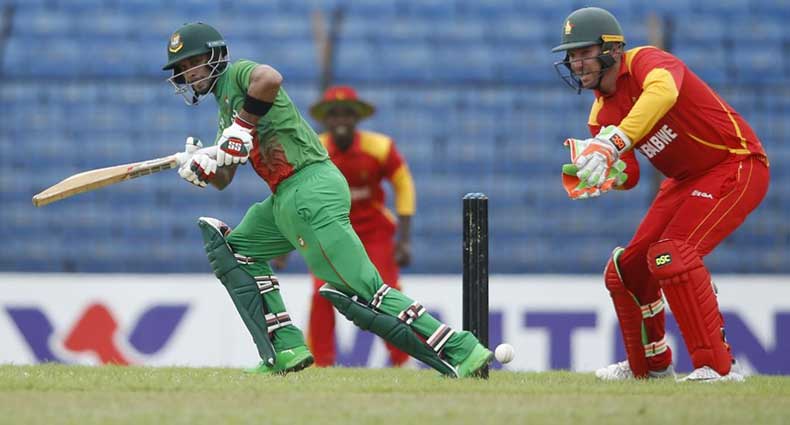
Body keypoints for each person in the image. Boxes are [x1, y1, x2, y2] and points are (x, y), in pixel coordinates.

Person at [162, 22, 492, 377]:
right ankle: (285, 346)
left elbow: (270, 79)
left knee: (365, 290)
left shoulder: (241, 75)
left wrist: (241, 128)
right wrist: (204, 166)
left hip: (310, 186)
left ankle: (461, 347)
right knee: (237, 252)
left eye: (192, 63)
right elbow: (225, 177)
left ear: (214, 55)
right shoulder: (224, 112)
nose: (188, 73)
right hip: (284, 198)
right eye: (182, 69)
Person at [552, 8, 769, 382]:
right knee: (626, 270)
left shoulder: (647, 61)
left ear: (612, 49)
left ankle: (719, 368)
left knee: (672, 254)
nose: (577, 63)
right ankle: (651, 367)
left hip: (736, 162)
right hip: (685, 179)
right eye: (572, 55)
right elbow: (632, 175)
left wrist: (614, 142)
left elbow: (663, 92)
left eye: (585, 52)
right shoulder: (600, 113)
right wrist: (603, 174)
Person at [306, 85, 414, 367]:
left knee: (387, 293)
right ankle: (320, 365)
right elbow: (296, 195)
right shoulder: (314, 150)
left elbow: (404, 185)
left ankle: (402, 361)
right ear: (326, 119)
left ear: (357, 118)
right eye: (334, 114)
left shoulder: (380, 147)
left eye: (347, 113)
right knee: (322, 293)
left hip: (374, 232)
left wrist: (404, 240)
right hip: (332, 235)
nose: (341, 119)